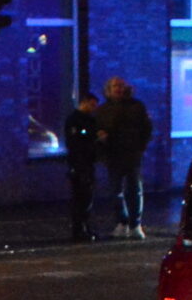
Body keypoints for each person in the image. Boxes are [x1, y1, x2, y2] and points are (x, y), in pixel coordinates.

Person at [93, 77, 152, 238]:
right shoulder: (102, 110)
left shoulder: (136, 106)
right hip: (113, 154)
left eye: (120, 86)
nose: (118, 89)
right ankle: (122, 221)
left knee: (134, 189)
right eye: (114, 86)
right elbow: (96, 129)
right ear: (108, 90)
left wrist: (140, 147)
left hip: (132, 153)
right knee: (115, 190)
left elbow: (146, 128)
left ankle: (135, 223)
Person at [62, 93, 102, 240]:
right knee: (81, 197)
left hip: (87, 162)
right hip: (79, 163)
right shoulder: (75, 119)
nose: (94, 108)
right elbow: (75, 142)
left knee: (86, 197)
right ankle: (79, 228)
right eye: (92, 105)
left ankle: (84, 226)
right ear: (84, 102)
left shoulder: (90, 119)